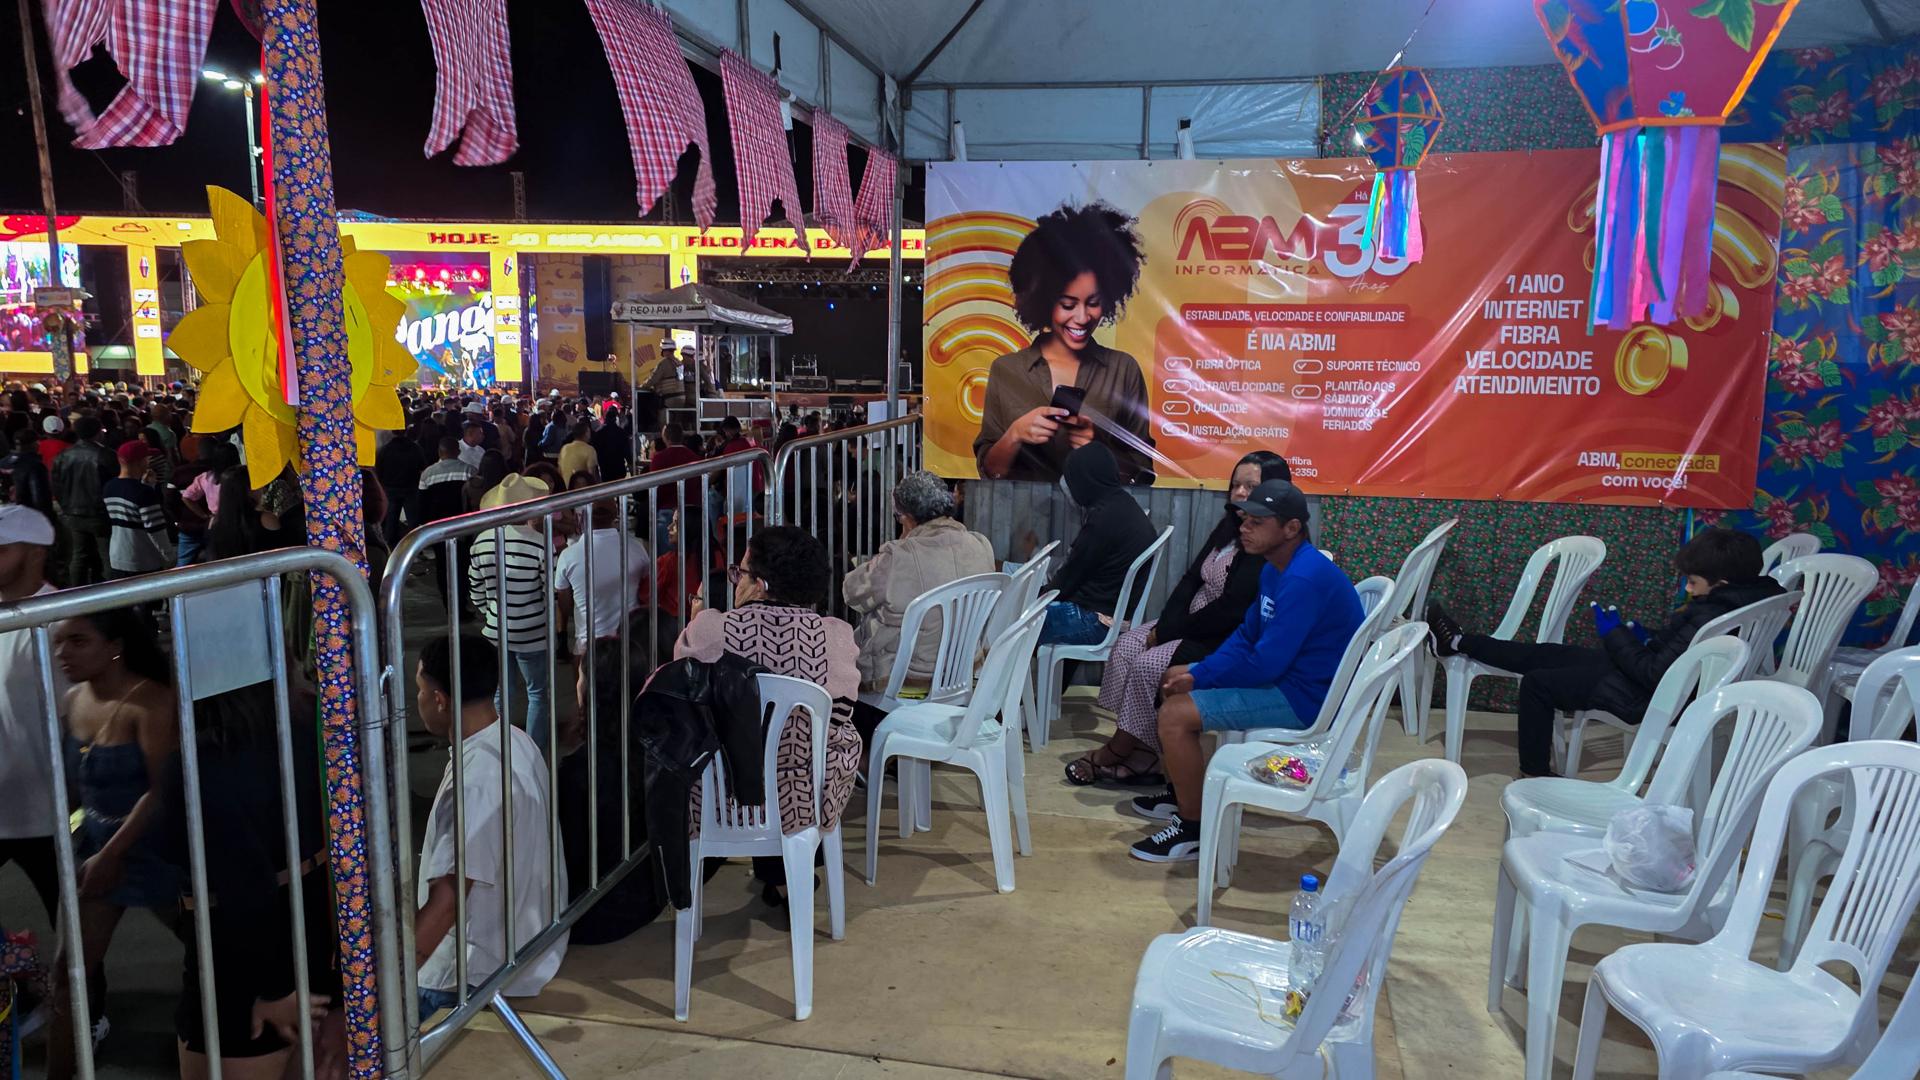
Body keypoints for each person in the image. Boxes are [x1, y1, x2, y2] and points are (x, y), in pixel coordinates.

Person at [1424, 526, 1788, 778]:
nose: (1689, 589)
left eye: (1693, 582)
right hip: (1673, 683)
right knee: (1549, 653)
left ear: (1721, 583)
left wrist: (1615, 636)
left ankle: (1533, 773)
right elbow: (1678, 651)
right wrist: (1644, 636)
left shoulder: (1712, 613)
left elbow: (1652, 674)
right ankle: (1458, 642)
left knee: (1537, 683)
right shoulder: (1749, 598)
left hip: (1651, 696)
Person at [1128, 481, 1363, 863]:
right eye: (1244, 519)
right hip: (1286, 681)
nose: (1244, 528)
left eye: (1257, 522)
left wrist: (1203, 676)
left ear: (1291, 528)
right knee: (1173, 680)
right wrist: (1198, 671)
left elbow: (1265, 663)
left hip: (1305, 699)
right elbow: (1246, 636)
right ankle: (1185, 794)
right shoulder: (1276, 568)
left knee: (1175, 715)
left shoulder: (1303, 579)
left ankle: (1194, 830)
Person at [1068, 451, 1293, 786]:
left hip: (1220, 635)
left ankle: (1117, 750)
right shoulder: (1230, 527)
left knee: (1147, 665)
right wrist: (1165, 625)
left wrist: (1170, 632)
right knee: (1127, 646)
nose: (1240, 493)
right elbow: (1190, 580)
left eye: (1251, 486)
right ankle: (1143, 753)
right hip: (1189, 621)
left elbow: (1231, 609)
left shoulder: (1267, 543)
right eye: (1235, 485)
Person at [673, 526, 861, 912]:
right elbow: (841, 714)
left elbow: (683, 692)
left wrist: (693, 620)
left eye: (740, 572)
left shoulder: (710, 629)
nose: (736, 581)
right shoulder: (835, 637)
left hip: (719, 796)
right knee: (836, 740)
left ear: (760, 584)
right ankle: (791, 872)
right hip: (801, 801)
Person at [163, 681, 341, 1080]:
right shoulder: (312, 720)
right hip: (314, 933)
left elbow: (245, 883)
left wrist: (273, 990)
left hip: (243, 965)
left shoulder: (199, 760)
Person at [46, 608, 181, 1080]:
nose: (62, 654)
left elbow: (161, 791)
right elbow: (75, 785)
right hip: (96, 846)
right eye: (59, 642)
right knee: (68, 973)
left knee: (217, 954)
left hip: (159, 849)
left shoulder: (153, 702)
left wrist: (112, 854)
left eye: (78, 641)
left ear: (116, 647)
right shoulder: (73, 699)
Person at [412, 635, 566, 1021]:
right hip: (526, 945)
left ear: (440, 699)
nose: (418, 700)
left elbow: (447, 901)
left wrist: (391, 977)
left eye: (420, 690)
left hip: (472, 971)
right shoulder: (516, 740)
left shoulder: (474, 783)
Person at [972, 202, 1155, 483]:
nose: (1082, 318)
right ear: (1044, 301)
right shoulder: (1006, 370)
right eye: (1068, 305)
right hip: (1023, 510)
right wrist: (1015, 434)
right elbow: (991, 471)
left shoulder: (1123, 370)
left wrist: (1099, 450)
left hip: (1097, 509)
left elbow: (1143, 472)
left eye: (1093, 303)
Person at [843, 470, 996, 707]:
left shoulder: (898, 557)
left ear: (907, 516)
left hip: (905, 678)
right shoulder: (981, 544)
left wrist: (902, 543)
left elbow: (851, 592)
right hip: (962, 671)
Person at [0, 507, 66, 922]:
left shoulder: (63, 623)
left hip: (46, 813)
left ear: (36, 553)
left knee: (73, 928)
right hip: (7, 799)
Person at [466, 474, 554, 752]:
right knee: (537, 693)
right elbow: (548, 591)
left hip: (496, 630)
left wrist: (490, 612)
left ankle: (500, 749)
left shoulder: (481, 541)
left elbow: (475, 588)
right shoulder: (540, 543)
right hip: (533, 631)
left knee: (501, 693)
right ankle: (534, 751)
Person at [1039, 443, 1156, 645]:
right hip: (1108, 615)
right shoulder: (1121, 504)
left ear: (1085, 480)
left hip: (1095, 622)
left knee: (1015, 619)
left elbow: (1068, 579)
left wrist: (1036, 596)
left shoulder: (1103, 519)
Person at [554, 489, 651, 662]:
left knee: (585, 679)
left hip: (589, 643)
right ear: (615, 514)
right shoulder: (636, 548)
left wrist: (562, 635)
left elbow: (564, 604)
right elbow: (647, 590)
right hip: (630, 640)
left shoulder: (569, 556)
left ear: (584, 515)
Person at [52, 416, 117, 585]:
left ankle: (76, 592)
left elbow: (57, 485)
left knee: (79, 556)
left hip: (73, 512)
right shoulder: (106, 455)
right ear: (97, 432)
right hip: (100, 513)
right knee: (108, 556)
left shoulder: (63, 455)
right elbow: (115, 483)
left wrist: (66, 506)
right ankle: (112, 593)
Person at [103, 440, 174, 577]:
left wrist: (148, 487)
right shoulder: (143, 493)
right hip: (143, 560)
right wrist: (169, 556)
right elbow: (155, 529)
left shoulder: (109, 487)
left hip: (117, 557)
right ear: (140, 462)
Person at [375, 420, 429, 545]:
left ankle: (391, 547)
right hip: (411, 488)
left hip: (390, 489)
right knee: (413, 521)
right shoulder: (415, 448)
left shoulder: (385, 449)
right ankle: (415, 545)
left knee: (391, 521)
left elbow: (379, 470)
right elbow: (423, 466)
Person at [589, 407, 631, 482]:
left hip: (605, 467)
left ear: (606, 419)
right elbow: (626, 450)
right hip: (619, 466)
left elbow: (595, 449)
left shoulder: (599, 433)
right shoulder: (621, 432)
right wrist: (630, 462)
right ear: (615, 419)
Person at [557, 419, 598, 486]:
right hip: (581, 488)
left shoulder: (565, 448)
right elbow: (591, 474)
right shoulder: (589, 450)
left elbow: (559, 470)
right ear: (586, 433)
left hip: (566, 487)